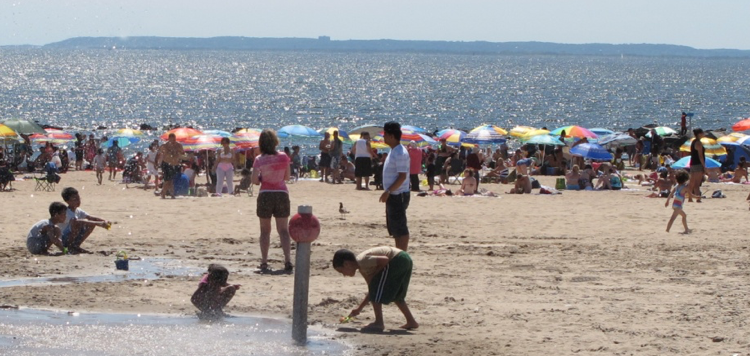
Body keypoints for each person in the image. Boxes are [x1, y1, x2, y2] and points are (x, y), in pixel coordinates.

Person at [332, 247, 418, 332]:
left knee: (377, 288)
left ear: (347, 264)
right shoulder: (363, 268)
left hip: (397, 259)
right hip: (405, 259)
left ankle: (379, 322)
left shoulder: (362, 261)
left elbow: (384, 260)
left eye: (341, 271)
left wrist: (376, 274)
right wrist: (359, 309)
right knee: (397, 296)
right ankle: (411, 321)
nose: (344, 275)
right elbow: (371, 290)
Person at [251, 129, 293, 273]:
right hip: (281, 193)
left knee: (265, 231)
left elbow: (254, 180)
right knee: (283, 230)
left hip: (266, 194)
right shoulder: (283, 157)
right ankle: (287, 260)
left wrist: (264, 177)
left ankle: (264, 261)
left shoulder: (259, 159)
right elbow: (287, 177)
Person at [380, 122, 411, 251]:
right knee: (395, 229)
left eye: (385, 135)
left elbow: (402, 176)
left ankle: (402, 256)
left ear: (392, 136)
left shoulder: (400, 153)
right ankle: (398, 253)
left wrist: (388, 191)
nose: (384, 137)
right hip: (394, 195)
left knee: (401, 230)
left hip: (398, 195)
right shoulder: (394, 151)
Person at [59, 187, 111, 253]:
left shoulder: (78, 211)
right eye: (75, 199)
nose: (78, 201)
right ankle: (69, 247)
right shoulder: (66, 212)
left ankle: (75, 246)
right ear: (67, 201)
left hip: (72, 236)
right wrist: (99, 223)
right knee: (81, 223)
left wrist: (104, 221)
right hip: (64, 239)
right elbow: (78, 222)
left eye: (79, 198)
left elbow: (91, 218)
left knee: (91, 224)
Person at [158, 133, 185, 199]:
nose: (173, 141)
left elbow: (182, 153)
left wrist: (177, 152)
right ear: (169, 139)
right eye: (171, 139)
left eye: (174, 139)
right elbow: (161, 152)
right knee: (167, 179)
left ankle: (168, 193)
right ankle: (165, 193)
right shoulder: (165, 145)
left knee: (171, 180)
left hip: (174, 164)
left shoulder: (178, 145)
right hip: (166, 163)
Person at [688, 129, 706, 203]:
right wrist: (704, 166)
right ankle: (698, 198)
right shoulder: (698, 143)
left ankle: (690, 198)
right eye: (702, 133)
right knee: (697, 183)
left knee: (692, 182)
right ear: (699, 134)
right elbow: (701, 156)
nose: (704, 134)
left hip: (693, 163)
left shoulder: (693, 141)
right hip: (698, 164)